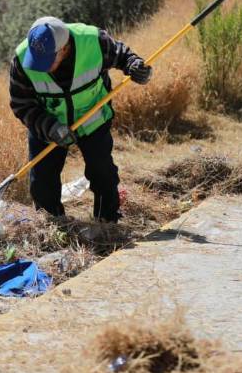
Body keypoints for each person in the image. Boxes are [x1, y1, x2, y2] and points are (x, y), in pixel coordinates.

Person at [9, 16, 152, 223]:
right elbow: (21, 103)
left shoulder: (93, 41)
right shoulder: (22, 60)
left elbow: (122, 55)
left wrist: (135, 66)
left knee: (102, 171)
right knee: (42, 182)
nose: (39, 67)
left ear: (64, 49)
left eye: (47, 61)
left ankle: (107, 223)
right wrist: (50, 128)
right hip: (48, 124)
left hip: (92, 118)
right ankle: (53, 227)